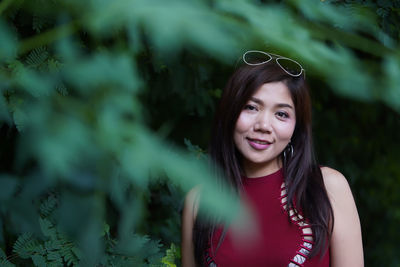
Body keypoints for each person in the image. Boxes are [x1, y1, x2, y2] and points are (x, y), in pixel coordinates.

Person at [181, 51, 363, 267]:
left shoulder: (327, 187)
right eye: (251, 107)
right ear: (230, 112)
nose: (263, 125)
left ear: (296, 127)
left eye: (282, 114)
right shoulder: (199, 201)